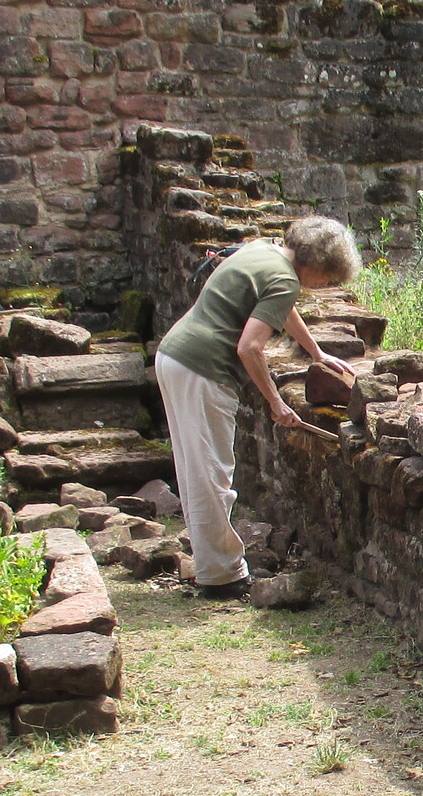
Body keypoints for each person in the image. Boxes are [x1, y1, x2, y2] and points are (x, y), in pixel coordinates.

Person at [153, 215, 362, 597]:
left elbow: (280, 309)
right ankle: (223, 577)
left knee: (196, 469)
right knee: (211, 474)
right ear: (318, 262)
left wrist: (315, 351)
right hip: (204, 369)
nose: (324, 285)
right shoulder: (284, 279)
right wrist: (276, 402)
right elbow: (250, 347)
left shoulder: (264, 251)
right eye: (328, 277)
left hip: (175, 356)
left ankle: (213, 565)